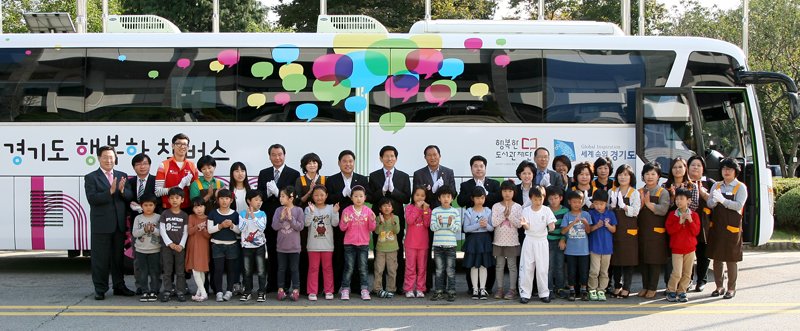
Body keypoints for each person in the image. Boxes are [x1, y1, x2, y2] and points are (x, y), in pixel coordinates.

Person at [84, 146, 135, 300]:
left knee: (118, 258)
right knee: (100, 259)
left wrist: (122, 191)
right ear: (98, 158)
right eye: (105, 157)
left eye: (111, 157)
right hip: (101, 224)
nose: (108, 160)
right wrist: (110, 192)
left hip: (119, 224)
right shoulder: (91, 177)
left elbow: (130, 196)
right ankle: (100, 288)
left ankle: (119, 286)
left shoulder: (122, 176)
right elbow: (92, 199)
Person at [257, 144, 300, 293]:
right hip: (270, 218)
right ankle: (272, 283)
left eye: (280, 154)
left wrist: (277, 193)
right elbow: (259, 195)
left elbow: (293, 196)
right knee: (272, 252)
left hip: (288, 220)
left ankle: (286, 284)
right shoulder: (264, 173)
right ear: (269, 156)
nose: (277, 157)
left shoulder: (293, 174)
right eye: (274, 155)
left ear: (284, 155)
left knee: (287, 253)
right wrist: (267, 194)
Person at [368, 146, 411, 294]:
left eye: (392, 156)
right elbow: (370, 197)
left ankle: (397, 286)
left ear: (396, 158)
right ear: (381, 158)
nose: (389, 159)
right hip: (379, 221)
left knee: (397, 253)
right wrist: (382, 191)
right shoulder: (373, 176)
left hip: (395, 222)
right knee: (379, 253)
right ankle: (379, 286)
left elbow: (406, 198)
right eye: (386, 156)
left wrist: (393, 191)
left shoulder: (403, 176)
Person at [325, 150, 369, 293]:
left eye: (350, 161)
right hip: (339, 222)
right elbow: (329, 198)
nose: (348, 164)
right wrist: (341, 195)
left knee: (357, 256)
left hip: (358, 224)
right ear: (339, 163)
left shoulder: (362, 179)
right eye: (344, 161)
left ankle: (356, 287)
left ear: (354, 163)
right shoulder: (331, 180)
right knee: (339, 254)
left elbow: (365, 199)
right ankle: (338, 285)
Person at [458, 155, 500, 293]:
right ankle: (473, 287)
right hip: (473, 230)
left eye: (481, 166)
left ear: (485, 168)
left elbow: (497, 198)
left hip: (488, 229)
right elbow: (460, 201)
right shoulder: (466, 185)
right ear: (471, 169)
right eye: (475, 166)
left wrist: (485, 193)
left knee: (488, 258)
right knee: (472, 258)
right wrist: (475, 191)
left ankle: (487, 287)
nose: (479, 168)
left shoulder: (494, 184)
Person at [707, 158, 747, 300]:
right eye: (724, 169)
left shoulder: (740, 187)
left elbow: (738, 205)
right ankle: (719, 286)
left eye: (730, 169)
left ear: (735, 171)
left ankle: (731, 288)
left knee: (731, 259)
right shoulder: (717, 186)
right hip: (718, 226)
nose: (727, 171)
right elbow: (710, 203)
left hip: (732, 228)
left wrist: (724, 201)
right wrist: (714, 200)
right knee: (717, 258)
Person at [661, 157, 699, 290]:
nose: (677, 170)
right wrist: (673, 197)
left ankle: (684, 287)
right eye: (675, 167)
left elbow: (694, 205)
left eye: (680, 167)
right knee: (671, 258)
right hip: (671, 223)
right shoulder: (665, 186)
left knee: (688, 264)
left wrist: (683, 205)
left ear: (685, 169)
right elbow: (665, 207)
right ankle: (669, 286)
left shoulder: (692, 186)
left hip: (688, 226)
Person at [637, 162, 670, 299]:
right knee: (643, 260)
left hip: (657, 233)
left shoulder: (663, 192)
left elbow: (663, 210)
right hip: (642, 231)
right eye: (647, 174)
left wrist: (649, 205)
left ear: (658, 176)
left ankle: (653, 287)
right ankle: (644, 286)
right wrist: (641, 205)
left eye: (653, 174)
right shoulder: (639, 192)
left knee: (654, 261)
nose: (649, 177)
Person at [518, 185, 556, 304]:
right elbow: (528, 227)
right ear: (530, 198)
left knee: (542, 268)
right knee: (527, 267)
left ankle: (544, 293)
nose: (538, 202)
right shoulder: (526, 210)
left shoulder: (546, 210)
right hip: (530, 240)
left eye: (540, 199)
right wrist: (524, 224)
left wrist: (551, 226)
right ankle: (525, 293)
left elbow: (551, 224)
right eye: (535, 199)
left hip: (542, 241)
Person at [608, 165, 640, 299]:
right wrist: (612, 206)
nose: (623, 177)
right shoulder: (612, 191)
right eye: (620, 174)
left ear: (631, 177)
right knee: (615, 260)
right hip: (615, 230)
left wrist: (624, 206)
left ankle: (626, 287)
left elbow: (636, 211)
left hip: (629, 231)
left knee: (628, 260)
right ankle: (616, 286)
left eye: (626, 174)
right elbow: (608, 209)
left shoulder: (634, 192)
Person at [339, 185, 377, 300]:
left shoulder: (368, 211)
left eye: (361, 196)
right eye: (356, 196)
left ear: (365, 197)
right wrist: (345, 222)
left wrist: (373, 221)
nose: (358, 199)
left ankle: (364, 289)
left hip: (364, 244)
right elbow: (342, 228)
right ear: (351, 198)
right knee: (349, 267)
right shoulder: (347, 211)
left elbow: (372, 229)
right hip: (349, 243)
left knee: (363, 268)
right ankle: (345, 289)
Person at [304, 185, 340, 301]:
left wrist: (335, 212)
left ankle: (329, 291)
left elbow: (335, 224)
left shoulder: (330, 208)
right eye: (316, 195)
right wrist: (311, 212)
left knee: (328, 268)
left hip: (327, 245)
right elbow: (306, 224)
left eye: (322, 195)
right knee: (313, 268)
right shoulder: (308, 208)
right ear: (312, 196)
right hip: (313, 245)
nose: (319, 197)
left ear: (326, 196)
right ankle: (312, 291)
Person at [665, 188, 700, 303]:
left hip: (690, 249)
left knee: (687, 272)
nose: (678, 201)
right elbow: (669, 230)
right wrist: (679, 223)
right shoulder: (672, 215)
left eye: (682, 199)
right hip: (677, 249)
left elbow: (696, 232)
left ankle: (682, 291)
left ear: (688, 200)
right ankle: (671, 290)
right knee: (676, 272)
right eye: (677, 199)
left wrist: (690, 221)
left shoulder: (694, 215)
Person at [687, 155, 715, 292]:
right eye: (693, 165)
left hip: (704, 224)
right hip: (688, 224)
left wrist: (704, 194)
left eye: (698, 165)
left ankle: (702, 280)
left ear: (703, 168)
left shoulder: (710, 183)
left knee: (703, 254)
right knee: (688, 254)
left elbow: (715, 202)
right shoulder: (685, 182)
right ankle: (688, 279)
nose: (695, 167)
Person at [272, 186, 305, 302]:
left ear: (291, 198)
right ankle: (281, 289)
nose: (280, 198)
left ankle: (295, 290)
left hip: (294, 247)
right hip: (281, 247)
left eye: (283, 196)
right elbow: (274, 226)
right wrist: (281, 218)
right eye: (280, 196)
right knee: (281, 269)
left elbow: (300, 227)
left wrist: (290, 218)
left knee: (294, 269)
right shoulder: (278, 210)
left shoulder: (299, 210)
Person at [207, 189, 241, 302]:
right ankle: (219, 291)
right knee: (218, 269)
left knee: (231, 269)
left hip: (231, 245)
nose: (224, 201)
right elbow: (210, 230)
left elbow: (239, 231)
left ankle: (229, 291)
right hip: (217, 244)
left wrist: (231, 225)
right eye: (221, 198)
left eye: (227, 198)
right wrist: (220, 226)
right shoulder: (213, 213)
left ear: (231, 200)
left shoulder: (235, 214)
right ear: (217, 200)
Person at [491, 181, 523, 300]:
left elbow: (519, 224)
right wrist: (503, 215)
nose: (507, 193)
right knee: (499, 265)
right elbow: (494, 223)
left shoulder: (518, 207)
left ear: (514, 192)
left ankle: (512, 289)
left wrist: (509, 215)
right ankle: (500, 288)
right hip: (498, 240)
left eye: (510, 191)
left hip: (512, 241)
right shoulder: (496, 206)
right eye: (505, 191)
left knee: (512, 266)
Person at [462, 187, 494, 300]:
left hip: (485, 239)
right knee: (474, 266)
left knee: (484, 265)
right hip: (473, 240)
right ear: (472, 198)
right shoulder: (469, 212)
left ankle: (483, 288)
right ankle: (475, 288)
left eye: (482, 198)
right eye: (477, 198)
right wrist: (479, 225)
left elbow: (492, 228)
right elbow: (466, 228)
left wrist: (486, 226)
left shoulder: (488, 211)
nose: (480, 200)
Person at [429, 185, 461, 302]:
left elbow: (456, 229)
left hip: (451, 246)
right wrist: (439, 223)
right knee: (439, 270)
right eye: (443, 196)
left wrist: (449, 223)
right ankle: (439, 291)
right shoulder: (436, 211)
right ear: (439, 198)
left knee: (450, 270)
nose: (446, 199)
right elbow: (432, 228)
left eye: (448, 196)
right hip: (438, 245)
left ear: (452, 198)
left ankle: (451, 291)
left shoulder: (455, 212)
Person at [561, 190, 593, 301]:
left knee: (584, 271)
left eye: (579, 202)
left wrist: (586, 224)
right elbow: (563, 231)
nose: (577, 204)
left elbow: (589, 231)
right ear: (569, 202)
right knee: (571, 272)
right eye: (574, 202)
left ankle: (584, 290)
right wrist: (573, 223)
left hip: (584, 250)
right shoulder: (567, 216)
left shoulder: (586, 215)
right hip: (570, 250)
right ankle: (572, 290)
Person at [159, 187, 189, 303]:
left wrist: (181, 245)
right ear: (168, 200)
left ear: (182, 200)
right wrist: (170, 244)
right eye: (171, 198)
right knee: (167, 270)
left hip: (180, 248)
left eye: (177, 198)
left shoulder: (184, 215)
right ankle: (167, 290)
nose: (174, 200)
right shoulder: (165, 214)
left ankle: (180, 291)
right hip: (167, 248)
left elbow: (185, 232)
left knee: (180, 271)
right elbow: (162, 230)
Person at [155, 133, 198, 212]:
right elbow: (157, 192)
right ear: (173, 146)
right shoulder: (164, 165)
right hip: (167, 208)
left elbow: (195, 191)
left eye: (185, 144)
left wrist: (188, 185)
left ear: (188, 147)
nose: (182, 147)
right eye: (178, 144)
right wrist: (177, 187)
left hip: (187, 208)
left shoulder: (192, 166)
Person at [586, 190, 617, 301]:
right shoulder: (591, 213)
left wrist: (608, 226)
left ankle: (602, 289)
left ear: (607, 203)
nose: (599, 206)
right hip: (595, 246)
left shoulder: (610, 214)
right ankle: (592, 289)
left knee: (604, 271)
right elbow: (589, 230)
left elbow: (614, 229)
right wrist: (597, 226)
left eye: (601, 204)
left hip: (607, 247)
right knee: (594, 270)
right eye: (596, 203)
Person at [238, 190, 268, 302]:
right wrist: (246, 216)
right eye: (256, 200)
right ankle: (248, 291)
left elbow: (262, 227)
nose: (259, 202)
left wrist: (253, 217)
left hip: (259, 245)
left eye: (260, 200)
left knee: (261, 270)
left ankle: (261, 291)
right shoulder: (242, 214)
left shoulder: (262, 214)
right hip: (246, 246)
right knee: (247, 270)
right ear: (248, 201)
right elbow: (241, 229)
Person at [131, 194, 161, 302]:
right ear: (141, 206)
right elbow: (135, 233)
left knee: (154, 271)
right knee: (142, 272)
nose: (148, 207)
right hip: (140, 250)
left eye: (151, 205)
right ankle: (144, 291)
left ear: (155, 206)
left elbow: (161, 233)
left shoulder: (158, 217)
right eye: (145, 205)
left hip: (155, 249)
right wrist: (144, 230)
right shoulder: (138, 218)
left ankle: (154, 290)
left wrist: (154, 230)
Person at [404, 185, 432, 298]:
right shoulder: (409, 208)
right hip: (410, 243)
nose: (420, 198)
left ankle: (421, 288)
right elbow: (410, 220)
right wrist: (418, 209)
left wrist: (425, 211)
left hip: (423, 243)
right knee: (410, 267)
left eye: (422, 195)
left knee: (422, 268)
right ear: (413, 196)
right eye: (417, 195)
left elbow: (427, 224)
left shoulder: (427, 209)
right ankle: (409, 288)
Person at [545, 186, 569, 300]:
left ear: (561, 198)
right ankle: (549, 288)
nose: (553, 201)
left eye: (556, 198)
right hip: (547, 241)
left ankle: (560, 288)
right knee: (549, 267)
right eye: (550, 199)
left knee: (559, 267)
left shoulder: (565, 210)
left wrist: (563, 238)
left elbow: (566, 227)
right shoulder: (545, 210)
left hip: (560, 242)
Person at [374, 198, 400, 298]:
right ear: (380, 208)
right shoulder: (378, 218)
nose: (387, 208)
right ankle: (378, 288)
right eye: (384, 206)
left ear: (392, 208)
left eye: (389, 206)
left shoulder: (396, 218)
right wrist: (380, 223)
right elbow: (376, 232)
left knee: (392, 270)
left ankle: (391, 289)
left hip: (392, 249)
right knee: (379, 269)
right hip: (380, 249)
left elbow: (397, 231)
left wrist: (393, 223)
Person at [186, 197, 211, 302]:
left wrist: (204, 229)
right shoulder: (191, 217)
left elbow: (208, 235)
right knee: (196, 270)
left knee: (200, 270)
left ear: (205, 207)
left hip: (203, 247)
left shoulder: (208, 218)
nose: (199, 209)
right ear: (193, 209)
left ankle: (203, 293)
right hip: (193, 246)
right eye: (196, 207)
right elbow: (189, 231)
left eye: (201, 206)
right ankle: (199, 292)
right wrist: (197, 227)